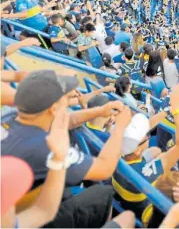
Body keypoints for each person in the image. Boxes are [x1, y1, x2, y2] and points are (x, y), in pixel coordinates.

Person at [1, 70, 133, 227]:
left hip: (26, 208)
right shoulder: (45, 147)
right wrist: (120, 128)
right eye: (64, 97)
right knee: (105, 195)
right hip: (35, 213)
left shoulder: (12, 117)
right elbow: (104, 168)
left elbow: (64, 121)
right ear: (53, 110)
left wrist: (99, 111)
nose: (68, 98)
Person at [112, 82, 179, 220]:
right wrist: (177, 111)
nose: (148, 135)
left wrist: (168, 110)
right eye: (146, 135)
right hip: (146, 210)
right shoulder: (148, 173)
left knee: (155, 150)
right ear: (137, 150)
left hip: (126, 184)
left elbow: (148, 125)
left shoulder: (115, 149)